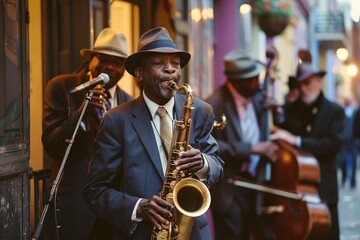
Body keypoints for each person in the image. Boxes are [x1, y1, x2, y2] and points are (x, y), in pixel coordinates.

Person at [82, 27, 224, 240]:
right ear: (140, 73)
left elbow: (217, 165)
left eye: (175, 65)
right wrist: (139, 207)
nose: (170, 71)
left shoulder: (201, 111)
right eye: (159, 64)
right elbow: (95, 190)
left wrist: (203, 162)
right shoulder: (116, 121)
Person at [42, 28, 132, 240]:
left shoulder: (129, 102)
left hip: (114, 210)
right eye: (103, 59)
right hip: (75, 208)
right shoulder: (62, 87)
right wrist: (82, 113)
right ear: (91, 60)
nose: (109, 67)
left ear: (124, 69)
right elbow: (52, 144)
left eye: (117, 62)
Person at [205, 49, 278, 240]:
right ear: (236, 81)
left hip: (257, 183)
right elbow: (208, 145)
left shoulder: (257, 97)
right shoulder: (213, 104)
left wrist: (277, 111)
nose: (258, 82)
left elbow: (275, 125)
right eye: (252, 78)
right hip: (230, 189)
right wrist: (251, 149)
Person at [270, 62, 344, 240]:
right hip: (296, 190)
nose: (303, 89)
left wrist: (297, 141)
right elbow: (282, 122)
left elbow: (332, 145)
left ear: (319, 81)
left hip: (324, 188)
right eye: (300, 84)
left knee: (327, 234)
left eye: (307, 83)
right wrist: (276, 112)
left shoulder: (335, 111)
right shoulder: (294, 109)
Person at [338, 94, 358, 188]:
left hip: (353, 141)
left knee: (354, 162)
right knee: (343, 161)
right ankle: (344, 179)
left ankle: (353, 181)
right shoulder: (341, 111)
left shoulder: (355, 112)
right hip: (344, 140)